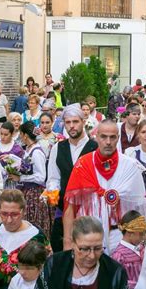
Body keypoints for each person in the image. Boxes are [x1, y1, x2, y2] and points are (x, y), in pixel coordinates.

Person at [63, 120, 146, 254]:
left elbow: (139, 206)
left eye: (112, 137)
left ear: (118, 138)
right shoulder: (83, 164)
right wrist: (68, 241)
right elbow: (70, 206)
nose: (108, 142)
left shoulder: (130, 166)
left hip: (120, 237)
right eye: (103, 137)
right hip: (87, 237)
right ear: (96, 136)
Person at [37, 216, 130, 289]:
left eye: (98, 248)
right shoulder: (53, 266)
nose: (92, 256)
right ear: (73, 243)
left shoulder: (114, 272)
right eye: (85, 249)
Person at [46, 103, 98, 252]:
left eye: (75, 122)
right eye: (68, 122)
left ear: (83, 122)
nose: (72, 126)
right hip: (63, 208)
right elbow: (53, 177)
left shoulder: (94, 148)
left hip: (89, 210)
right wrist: (52, 191)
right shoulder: (58, 148)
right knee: (61, 250)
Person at [0, 190, 50, 289]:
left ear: (23, 211)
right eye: (4, 214)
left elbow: (47, 273)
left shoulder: (37, 237)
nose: (9, 220)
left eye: (14, 214)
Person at [10, 121, 52, 236]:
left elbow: (41, 177)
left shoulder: (36, 152)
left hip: (35, 193)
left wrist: (21, 178)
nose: (20, 137)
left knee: (34, 223)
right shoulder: (29, 149)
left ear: (25, 135)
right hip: (27, 192)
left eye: (21, 134)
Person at [112, 211, 146, 289]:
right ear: (130, 233)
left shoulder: (142, 248)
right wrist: (141, 285)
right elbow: (118, 282)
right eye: (141, 234)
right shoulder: (119, 255)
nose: (144, 236)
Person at [0, 121, 25, 188]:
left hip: (10, 182)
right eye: (1, 134)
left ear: (12, 134)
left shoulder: (17, 148)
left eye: (6, 135)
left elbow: (22, 167)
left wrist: (11, 159)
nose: (3, 137)